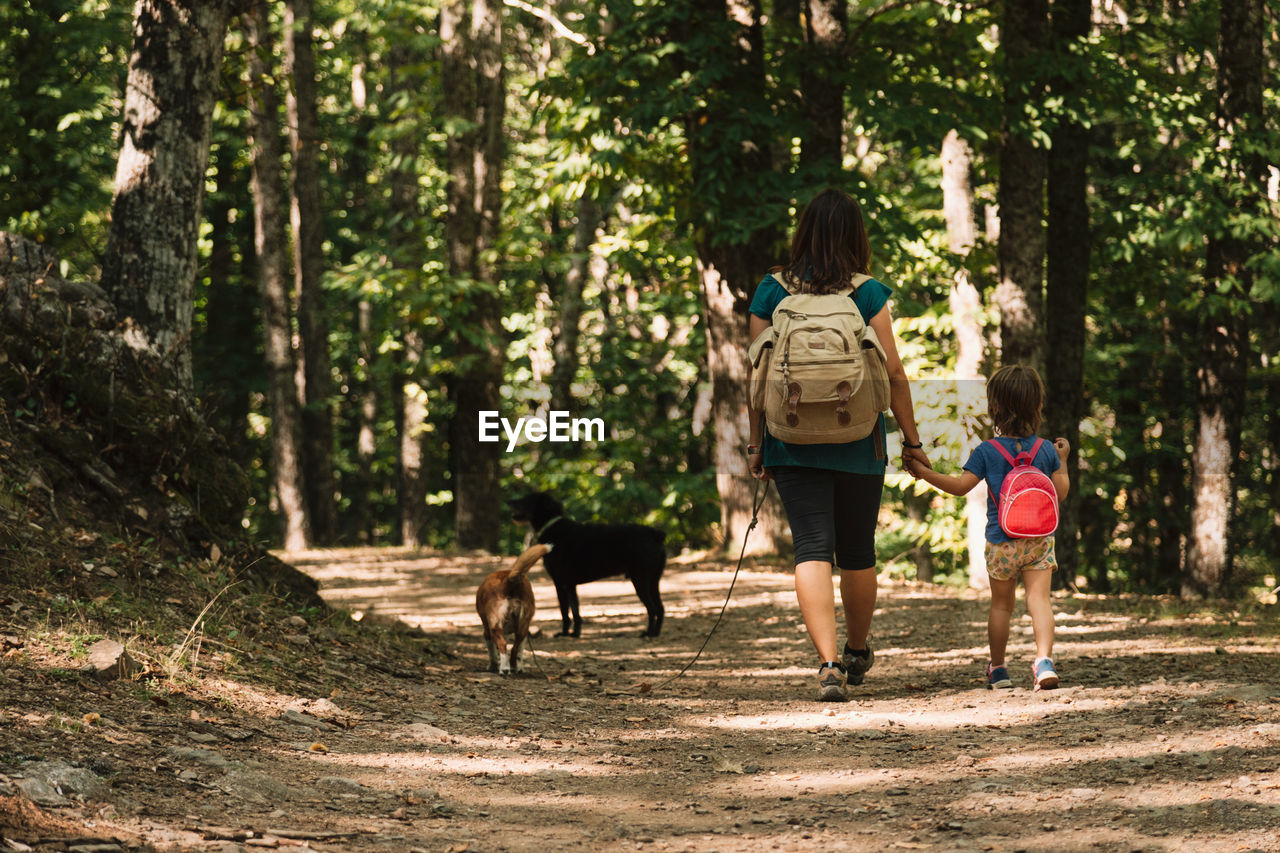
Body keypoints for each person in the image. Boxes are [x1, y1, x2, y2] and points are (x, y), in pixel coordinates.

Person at [746, 187, 929, 702]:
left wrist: (757, 446)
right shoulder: (866, 292)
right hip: (859, 440)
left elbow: (756, 375)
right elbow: (893, 372)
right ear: (856, 235)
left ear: (803, 232)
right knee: (857, 551)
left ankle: (827, 665)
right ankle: (856, 650)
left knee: (811, 548)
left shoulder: (770, 290)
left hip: (791, 439)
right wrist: (911, 441)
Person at [904, 365, 1070, 691]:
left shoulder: (986, 451)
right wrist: (1062, 460)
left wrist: (923, 473)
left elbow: (958, 486)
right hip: (1039, 541)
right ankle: (1044, 662)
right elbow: (1060, 493)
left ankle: (999, 670)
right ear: (1036, 406)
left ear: (994, 406)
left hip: (1001, 542)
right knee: (1040, 602)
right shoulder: (1046, 449)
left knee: (1001, 607)